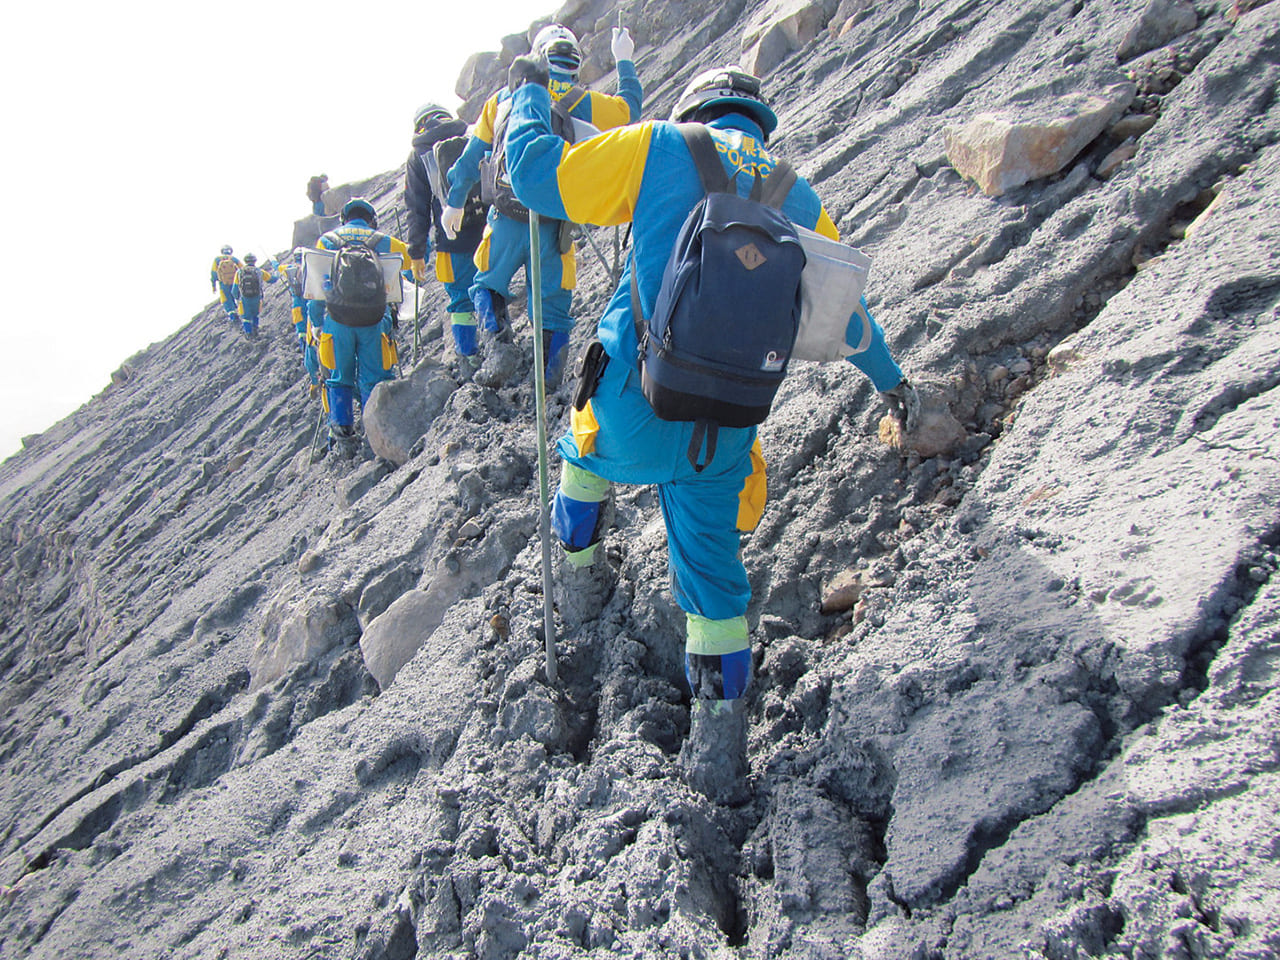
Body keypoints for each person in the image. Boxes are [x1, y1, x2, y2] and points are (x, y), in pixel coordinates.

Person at [504, 60, 920, 791]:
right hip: (721, 434)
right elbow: (850, 322)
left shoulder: (655, 144)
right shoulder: (799, 196)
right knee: (717, 591)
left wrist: (530, 97)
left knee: (581, 451)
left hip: (631, 409)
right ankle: (720, 751)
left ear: (698, 105)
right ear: (759, 120)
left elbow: (538, 177)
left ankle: (580, 582)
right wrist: (895, 385)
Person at [441, 23, 642, 387]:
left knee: (488, 281)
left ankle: (499, 346)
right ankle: (547, 385)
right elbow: (629, 109)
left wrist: (454, 202)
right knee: (552, 307)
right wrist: (623, 60)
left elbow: (471, 160)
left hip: (507, 211)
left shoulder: (503, 100)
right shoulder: (585, 102)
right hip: (556, 219)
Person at [312, 197, 412, 458]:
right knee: (373, 378)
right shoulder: (384, 241)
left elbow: (314, 286)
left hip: (337, 320)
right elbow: (409, 264)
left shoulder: (328, 241)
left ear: (345, 218)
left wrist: (314, 323)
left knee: (338, 379)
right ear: (371, 218)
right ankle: (374, 437)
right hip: (373, 319)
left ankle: (343, 440)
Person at [404, 104, 486, 370]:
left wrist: (416, 252)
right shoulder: (473, 133)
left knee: (461, 300)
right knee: (490, 286)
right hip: (489, 229)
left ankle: (470, 358)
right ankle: (500, 344)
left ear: (419, 126)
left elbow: (417, 209)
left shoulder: (418, 155)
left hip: (451, 240)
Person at [278, 248, 323, 389]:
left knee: (301, 331)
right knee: (311, 330)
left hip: (297, 305)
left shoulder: (289, 268)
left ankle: (306, 354)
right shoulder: (310, 268)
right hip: (309, 301)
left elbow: (276, 271)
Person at [233, 252, 275, 339]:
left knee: (246, 317)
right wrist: (278, 274)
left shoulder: (239, 272)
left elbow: (234, 289)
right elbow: (271, 280)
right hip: (257, 297)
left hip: (244, 298)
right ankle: (255, 330)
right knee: (255, 314)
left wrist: (237, 297)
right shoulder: (259, 271)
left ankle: (248, 333)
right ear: (255, 261)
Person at [210, 245, 241, 323]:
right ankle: (242, 312)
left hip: (223, 283)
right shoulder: (233, 259)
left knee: (226, 300)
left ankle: (232, 316)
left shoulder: (217, 259)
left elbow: (213, 273)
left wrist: (214, 285)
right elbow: (242, 268)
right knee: (239, 296)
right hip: (235, 282)